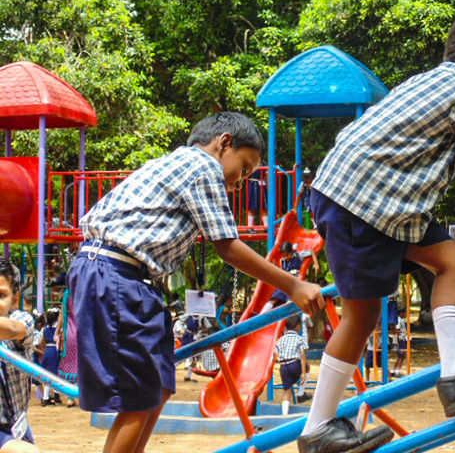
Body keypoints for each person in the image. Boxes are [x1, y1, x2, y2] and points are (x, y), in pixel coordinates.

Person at [298, 5, 455, 453]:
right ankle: (316, 430)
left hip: (381, 204)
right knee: (363, 315)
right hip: (360, 203)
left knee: (453, 259)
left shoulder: (431, 80)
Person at [66, 112, 324, 453]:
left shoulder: (179, 165)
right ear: (224, 143)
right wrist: (292, 285)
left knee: (158, 387)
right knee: (139, 396)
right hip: (115, 273)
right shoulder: (202, 166)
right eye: (244, 169)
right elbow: (228, 247)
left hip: (128, 278)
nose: (240, 182)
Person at [0, 259, 39, 452]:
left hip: (17, 426)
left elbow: (14, 329)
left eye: (1, 295)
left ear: (15, 299)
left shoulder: (22, 320)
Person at [261, 242, 319, 314]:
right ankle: (263, 313)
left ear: (292, 252)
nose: (286, 257)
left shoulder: (298, 256)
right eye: (284, 255)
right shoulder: (283, 261)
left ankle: (289, 308)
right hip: (285, 282)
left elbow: (311, 252)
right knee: (274, 298)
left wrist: (316, 265)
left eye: (287, 255)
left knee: (289, 299)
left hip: (294, 282)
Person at [275, 315, 307, 415]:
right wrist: (303, 373)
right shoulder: (299, 339)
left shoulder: (280, 340)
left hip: (283, 367)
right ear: (297, 327)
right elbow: (302, 355)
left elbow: (275, 356)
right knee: (308, 367)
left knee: (287, 392)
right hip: (295, 365)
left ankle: (284, 415)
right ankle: (301, 394)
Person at [56, 287, 78, 407]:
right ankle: (81, 395)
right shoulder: (86, 289)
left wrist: (58, 330)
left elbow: (62, 313)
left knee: (71, 364)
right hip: (85, 332)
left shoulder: (67, 293)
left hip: (70, 333)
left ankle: (70, 397)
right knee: (83, 364)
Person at [39, 310, 60, 407]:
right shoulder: (58, 329)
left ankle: (51, 396)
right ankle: (47, 397)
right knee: (54, 374)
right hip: (54, 351)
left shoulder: (44, 329)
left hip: (47, 350)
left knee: (48, 374)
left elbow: (41, 340)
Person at [297, 313, 314, 403]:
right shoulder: (304, 315)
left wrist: (310, 337)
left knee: (303, 363)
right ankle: (300, 394)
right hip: (300, 342)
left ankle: (301, 392)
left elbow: (310, 326)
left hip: (302, 340)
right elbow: (311, 326)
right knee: (305, 366)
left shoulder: (304, 315)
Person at [392, 308, 408, 377]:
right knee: (401, 356)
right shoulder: (399, 320)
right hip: (401, 339)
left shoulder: (401, 319)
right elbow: (397, 330)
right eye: (405, 313)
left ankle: (394, 370)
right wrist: (398, 340)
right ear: (401, 313)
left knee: (400, 356)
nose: (406, 314)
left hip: (402, 339)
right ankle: (397, 371)